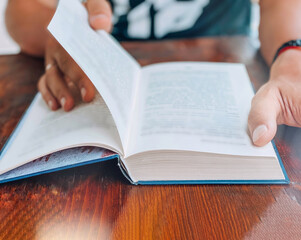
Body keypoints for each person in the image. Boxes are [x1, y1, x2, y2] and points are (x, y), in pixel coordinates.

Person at [5, 0, 301, 147]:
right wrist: (66, 32)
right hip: (105, 70)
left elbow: (281, 5)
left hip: (226, 64)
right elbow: (22, 11)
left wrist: (291, 55)